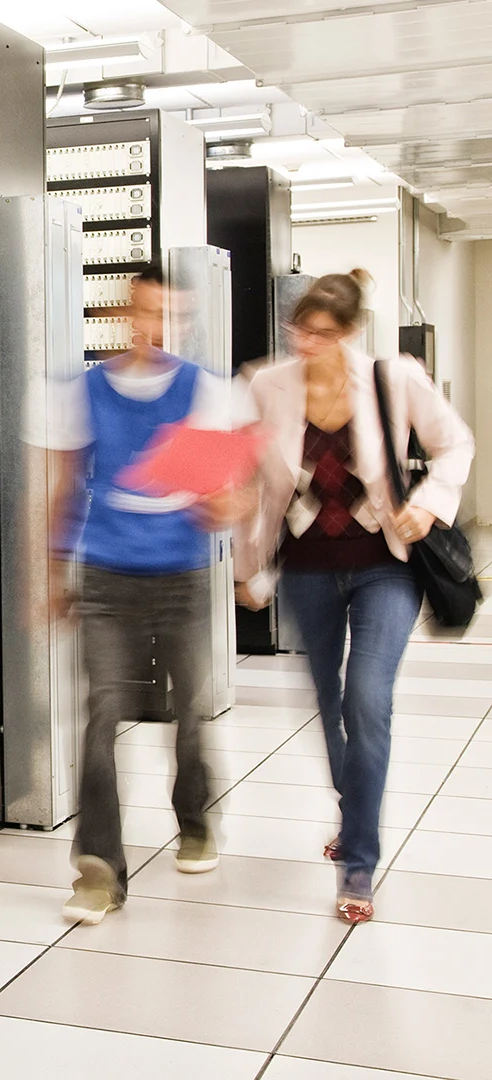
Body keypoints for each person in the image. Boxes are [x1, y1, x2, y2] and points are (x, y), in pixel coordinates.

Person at [235, 271, 474, 924]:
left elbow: (457, 443)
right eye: (300, 330)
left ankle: (359, 861)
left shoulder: (392, 379)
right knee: (330, 700)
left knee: (367, 698)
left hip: (384, 567)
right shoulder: (267, 385)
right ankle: (356, 806)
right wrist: (246, 568)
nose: (307, 343)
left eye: (323, 334)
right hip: (308, 569)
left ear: (349, 333)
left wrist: (428, 505)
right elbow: (251, 481)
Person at [44, 267, 250, 926]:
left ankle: (195, 819)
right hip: (106, 575)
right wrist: (51, 570)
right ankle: (98, 869)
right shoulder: (85, 392)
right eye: (144, 313)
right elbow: (64, 485)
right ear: (124, 315)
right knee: (101, 713)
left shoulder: (206, 392)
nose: (154, 328)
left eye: (168, 316)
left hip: (180, 576)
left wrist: (225, 507)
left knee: (189, 710)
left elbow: (235, 491)